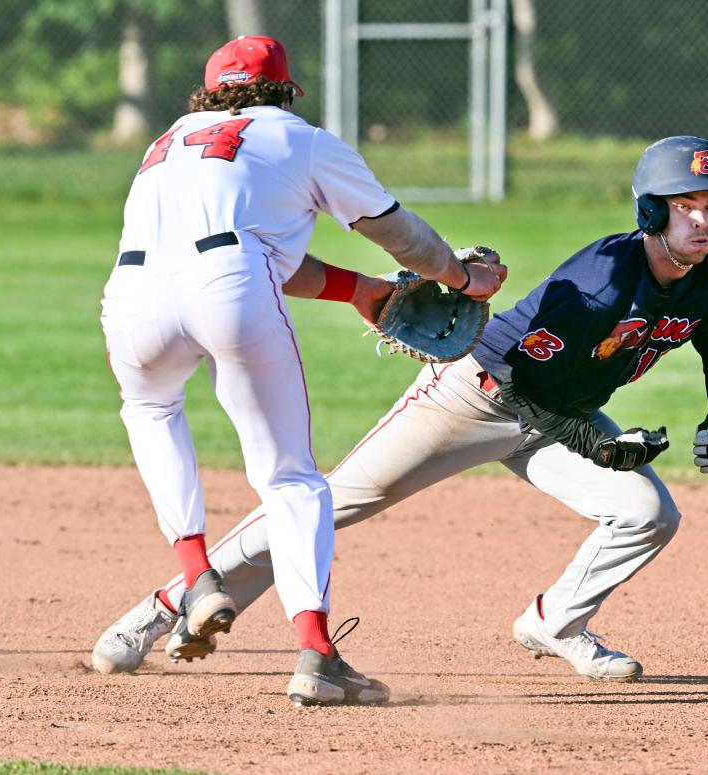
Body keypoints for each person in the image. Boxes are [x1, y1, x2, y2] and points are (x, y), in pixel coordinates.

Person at [94, 135, 708, 685]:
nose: (700, 220)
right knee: (327, 505)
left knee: (648, 513)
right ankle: (159, 609)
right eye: (683, 205)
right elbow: (522, 381)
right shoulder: (603, 279)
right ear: (651, 213)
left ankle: (554, 621)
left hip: (561, 417)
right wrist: (598, 443)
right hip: (475, 396)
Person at [98, 34, 506, 706]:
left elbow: (247, 246)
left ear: (210, 92)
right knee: (290, 477)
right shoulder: (300, 138)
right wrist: (463, 276)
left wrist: (361, 291)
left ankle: (197, 577)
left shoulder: (169, 139)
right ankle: (317, 654)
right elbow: (396, 234)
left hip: (130, 297)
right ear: (286, 89)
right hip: (230, 284)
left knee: (151, 411)